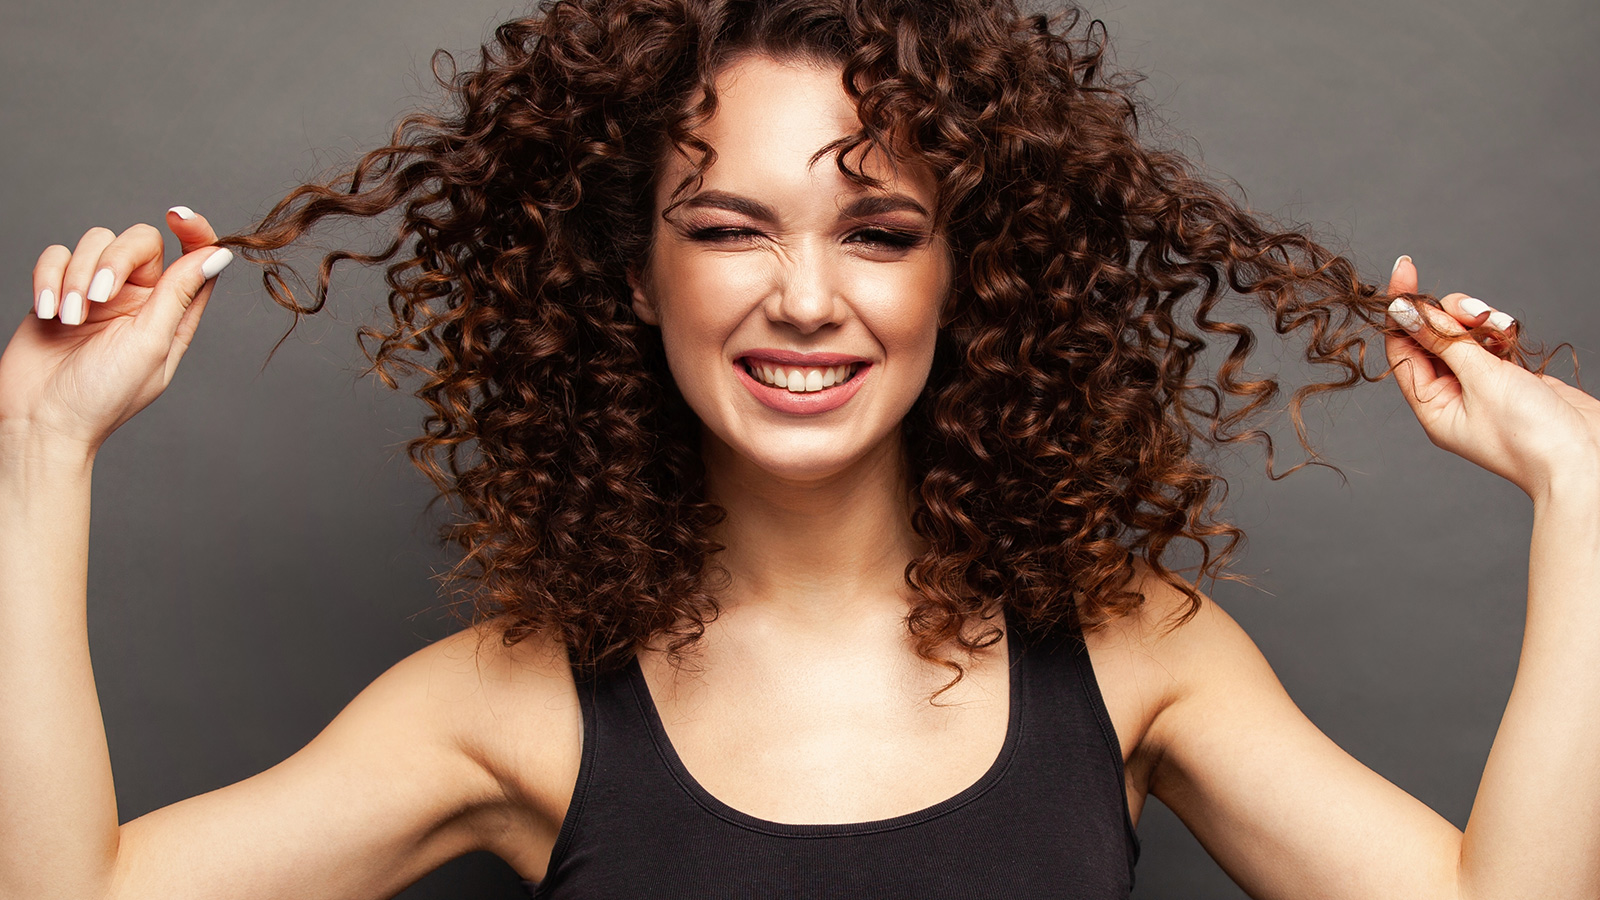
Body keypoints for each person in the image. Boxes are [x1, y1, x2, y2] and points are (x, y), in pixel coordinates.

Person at [3, 1, 1596, 898]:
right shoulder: (505, 703)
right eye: (728, 228)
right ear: (638, 276)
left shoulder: (1135, 653)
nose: (809, 299)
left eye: (881, 231)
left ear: (962, 278)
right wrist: (39, 446)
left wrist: (1585, 496)